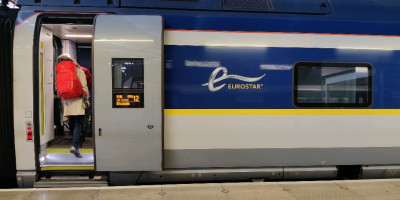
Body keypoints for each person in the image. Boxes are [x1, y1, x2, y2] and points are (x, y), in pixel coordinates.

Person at [56, 53, 90, 158]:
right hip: (77, 100)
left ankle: (74, 145)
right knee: (77, 123)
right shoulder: (78, 70)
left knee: (71, 122)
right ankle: (75, 146)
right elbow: (84, 85)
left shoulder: (60, 72)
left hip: (66, 100)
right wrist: (87, 99)